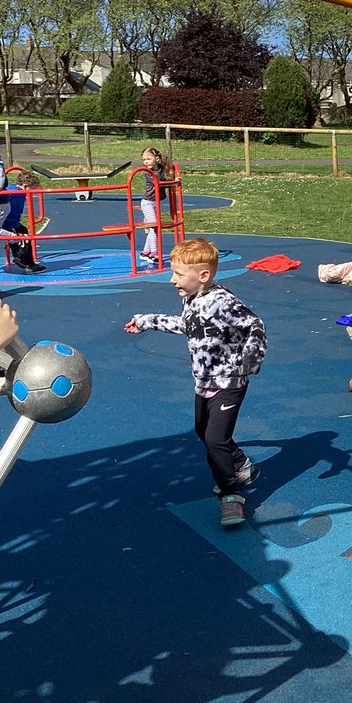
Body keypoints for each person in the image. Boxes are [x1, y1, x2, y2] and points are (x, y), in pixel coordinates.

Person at [124, 237, 267, 527]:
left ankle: (230, 494)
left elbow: (255, 325)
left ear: (203, 276)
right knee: (203, 432)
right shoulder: (192, 300)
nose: (172, 279)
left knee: (215, 440)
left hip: (229, 381)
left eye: (178, 274)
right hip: (203, 381)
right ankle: (241, 466)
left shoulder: (222, 301)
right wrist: (146, 320)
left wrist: (252, 356)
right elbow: (188, 327)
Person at [0, 161, 46, 275]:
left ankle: (22, 258)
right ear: (26, 186)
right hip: (8, 222)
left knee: (21, 234)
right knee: (24, 235)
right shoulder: (19, 193)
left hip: (5, 220)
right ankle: (26, 262)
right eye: (33, 188)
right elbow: (14, 211)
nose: (33, 191)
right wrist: (13, 224)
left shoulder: (10, 188)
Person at [139, 146, 170, 266]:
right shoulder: (147, 172)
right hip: (147, 202)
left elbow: (165, 177)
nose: (146, 162)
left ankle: (145, 252)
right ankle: (154, 254)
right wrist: (172, 184)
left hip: (155, 202)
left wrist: (173, 178)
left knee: (153, 227)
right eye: (144, 160)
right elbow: (159, 183)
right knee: (154, 226)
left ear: (156, 158)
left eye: (148, 158)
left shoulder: (160, 169)